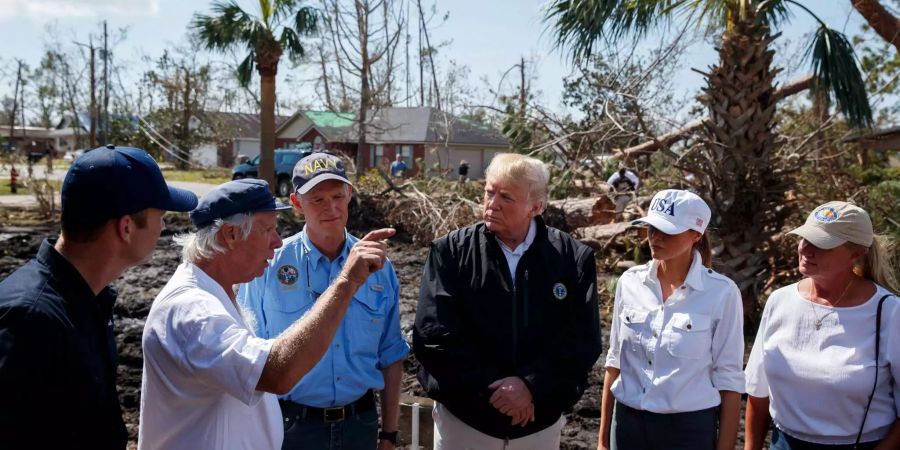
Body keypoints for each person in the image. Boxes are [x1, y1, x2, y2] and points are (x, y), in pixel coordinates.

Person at [138, 178, 395, 450]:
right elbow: (276, 373)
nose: (277, 241)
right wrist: (346, 283)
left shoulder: (215, 294)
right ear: (231, 235)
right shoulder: (194, 311)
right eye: (269, 230)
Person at [0, 145, 199, 450]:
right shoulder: (30, 321)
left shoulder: (86, 300)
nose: (163, 226)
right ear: (127, 227)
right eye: (160, 215)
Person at [414, 152, 602, 449]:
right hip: (466, 422)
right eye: (489, 192)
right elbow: (434, 335)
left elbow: (581, 341)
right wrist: (498, 391)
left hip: (536, 424)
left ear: (536, 206)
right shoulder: (449, 251)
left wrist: (530, 386)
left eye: (507, 197)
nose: (493, 203)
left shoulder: (572, 259)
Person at [238, 153, 409, 450]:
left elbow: (391, 355)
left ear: (349, 195)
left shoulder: (379, 267)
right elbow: (248, 354)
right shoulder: (268, 265)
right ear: (296, 202)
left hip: (360, 426)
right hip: (290, 427)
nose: (330, 208)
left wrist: (389, 433)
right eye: (317, 199)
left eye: (337, 196)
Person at [744, 201, 900, 450]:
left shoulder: (890, 312)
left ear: (856, 253)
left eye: (821, 244)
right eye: (804, 238)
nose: (806, 249)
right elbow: (757, 391)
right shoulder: (779, 301)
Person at [599, 189, 745, 450]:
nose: (655, 237)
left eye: (668, 230)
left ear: (696, 235)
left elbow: (730, 380)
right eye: (652, 228)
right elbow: (615, 362)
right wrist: (602, 441)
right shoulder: (630, 282)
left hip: (688, 432)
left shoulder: (722, 293)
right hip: (627, 427)